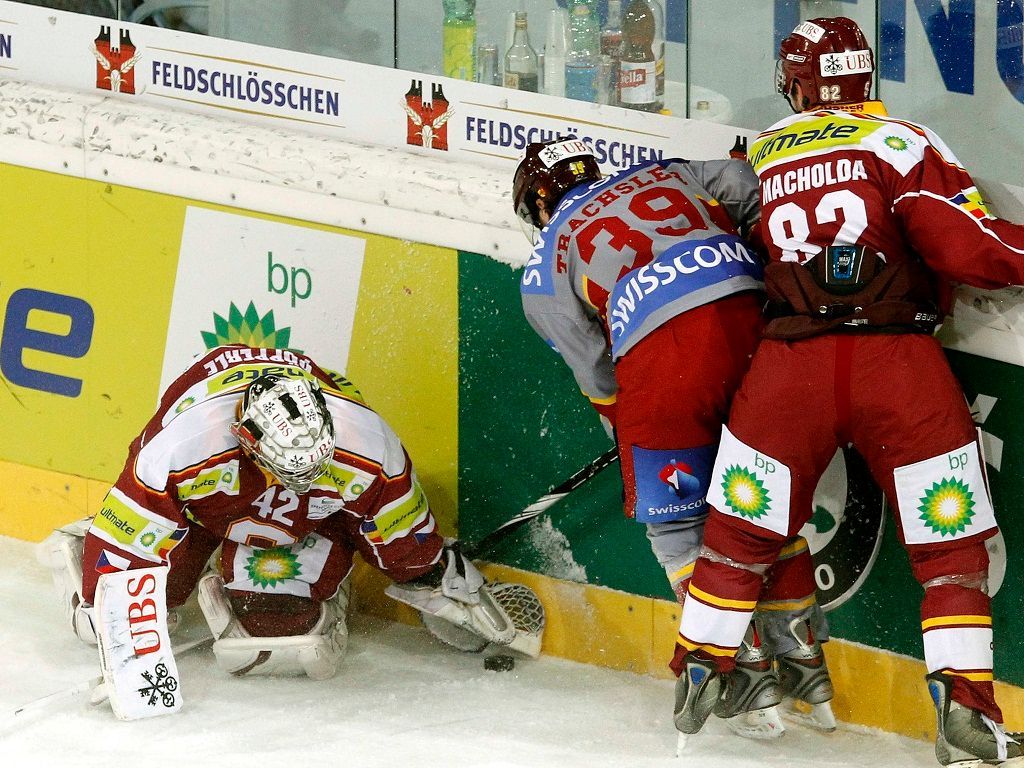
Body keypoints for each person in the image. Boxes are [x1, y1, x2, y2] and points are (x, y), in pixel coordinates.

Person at [671, 16, 1024, 766]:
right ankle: (966, 709)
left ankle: (699, 668)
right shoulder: (898, 139)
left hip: (787, 368)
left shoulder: (760, 151)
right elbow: (972, 250)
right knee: (950, 545)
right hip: (896, 362)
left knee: (738, 536)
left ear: (793, 82)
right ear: (866, 77)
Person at [512, 137, 834, 739]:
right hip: (765, 335)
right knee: (761, 498)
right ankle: (804, 655)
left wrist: (632, 431)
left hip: (667, 372)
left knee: (678, 527)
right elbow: (752, 186)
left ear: (537, 201)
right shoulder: (667, 171)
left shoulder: (546, 263)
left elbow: (601, 375)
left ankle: (742, 672)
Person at [39, 344, 524, 716]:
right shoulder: (182, 447)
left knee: (278, 646)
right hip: (205, 507)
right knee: (94, 622)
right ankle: (89, 541)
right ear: (248, 442)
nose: (311, 478)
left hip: (309, 516)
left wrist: (434, 578)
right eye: (295, 470)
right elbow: (126, 541)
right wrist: (117, 618)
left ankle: (261, 566)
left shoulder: (366, 442)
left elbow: (401, 535)